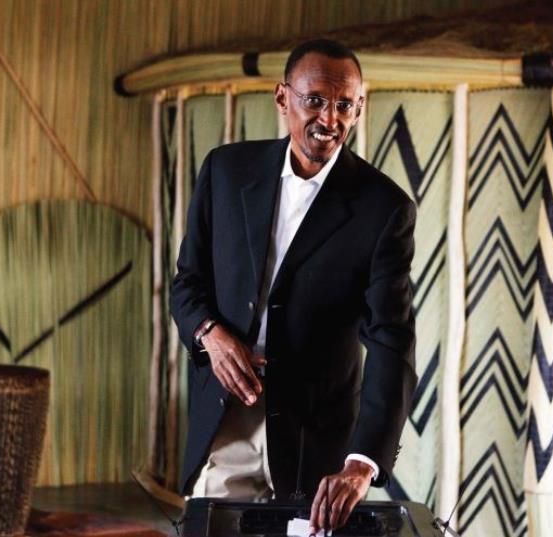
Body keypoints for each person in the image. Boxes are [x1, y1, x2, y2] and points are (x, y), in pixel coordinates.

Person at [171, 38, 417, 533]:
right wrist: (211, 336)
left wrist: (362, 463)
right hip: (227, 420)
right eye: (315, 101)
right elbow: (187, 284)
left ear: (360, 106)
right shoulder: (224, 171)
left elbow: (391, 342)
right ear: (283, 98)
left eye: (344, 105)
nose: (330, 119)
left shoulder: (384, 209)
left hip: (317, 443)